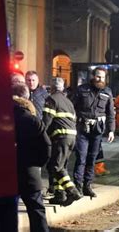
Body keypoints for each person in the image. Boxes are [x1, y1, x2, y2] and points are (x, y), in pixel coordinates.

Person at [12, 83, 51, 232]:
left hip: (7, 172)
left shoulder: (2, 117)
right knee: (36, 211)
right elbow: (46, 146)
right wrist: (37, 164)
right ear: (27, 97)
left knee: (8, 212)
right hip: (30, 173)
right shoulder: (32, 119)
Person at [73, 67, 115, 197]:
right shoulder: (82, 90)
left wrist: (111, 130)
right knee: (81, 158)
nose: (100, 79)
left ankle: (87, 186)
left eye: (102, 77)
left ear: (105, 78)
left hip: (97, 131)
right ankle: (78, 187)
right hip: (82, 129)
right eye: (97, 76)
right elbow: (72, 107)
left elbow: (110, 113)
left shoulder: (107, 92)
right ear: (93, 76)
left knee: (92, 159)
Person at [42, 78, 82, 206]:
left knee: (56, 167)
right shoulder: (68, 102)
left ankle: (72, 191)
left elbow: (46, 121)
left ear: (52, 88)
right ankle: (60, 194)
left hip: (61, 137)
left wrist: (40, 135)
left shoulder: (51, 99)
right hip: (71, 138)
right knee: (61, 166)